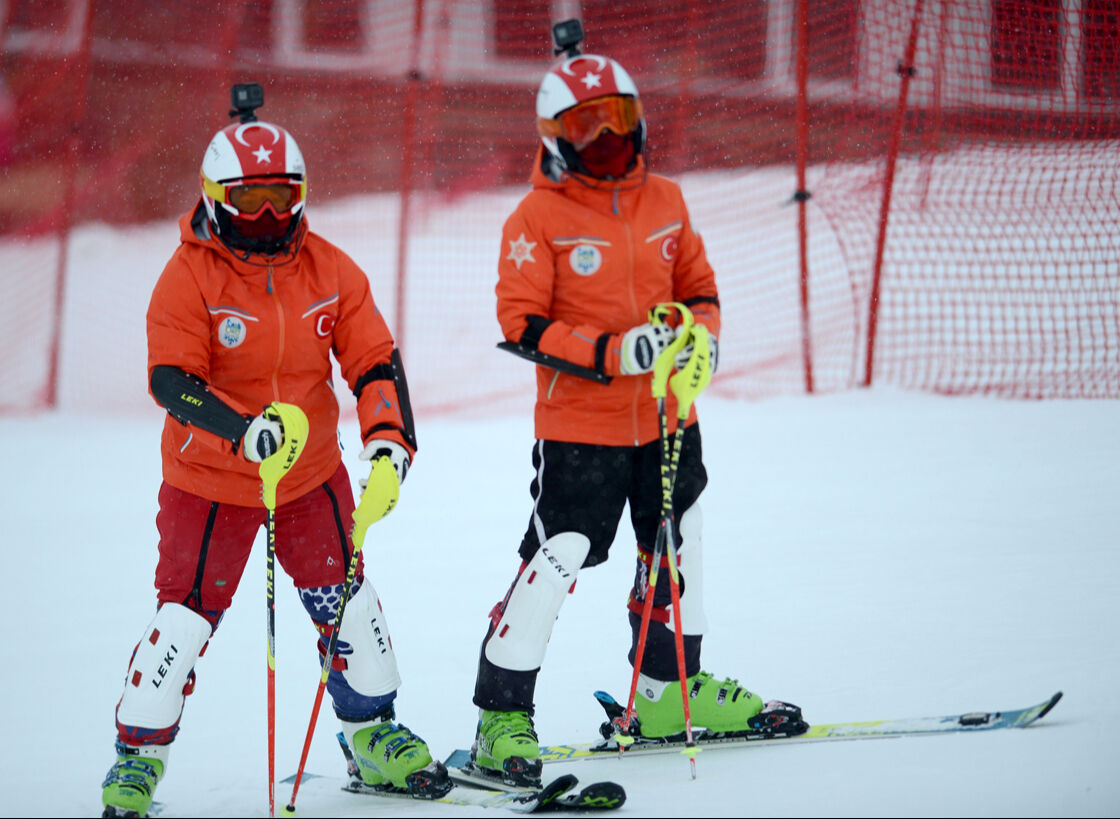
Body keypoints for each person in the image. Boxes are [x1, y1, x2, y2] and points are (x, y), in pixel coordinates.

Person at [100, 93, 447, 817]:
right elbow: (171, 378)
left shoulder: (330, 269)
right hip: (210, 481)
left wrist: (388, 445)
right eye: (248, 200)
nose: (266, 217)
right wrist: (239, 427)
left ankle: (371, 735)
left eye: (280, 199)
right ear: (215, 198)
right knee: (185, 620)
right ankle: (138, 758)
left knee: (348, 606)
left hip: (309, 475)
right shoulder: (190, 274)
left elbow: (374, 359)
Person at [468, 42, 805, 787]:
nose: (606, 142)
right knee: (558, 557)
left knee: (677, 551)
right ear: (556, 138)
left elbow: (701, 289)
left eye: (618, 123)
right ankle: (500, 715)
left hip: (667, 417)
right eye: (586, 129)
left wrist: (702, 347)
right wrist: (608, 352)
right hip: (580, 427)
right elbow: (519, 324)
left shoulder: (668, 200)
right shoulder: (536, 216)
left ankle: (665, 693)